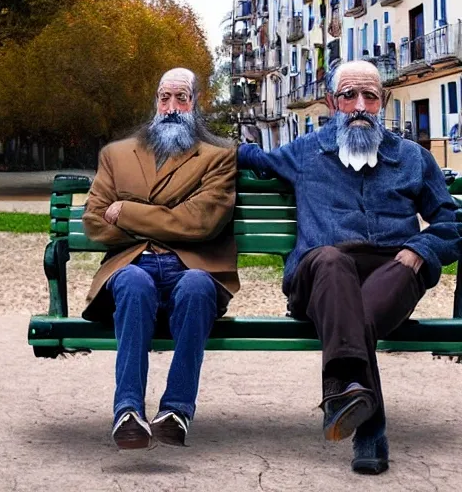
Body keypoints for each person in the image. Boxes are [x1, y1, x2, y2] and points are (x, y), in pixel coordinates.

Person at [238, 60, 461, 474]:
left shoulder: (413, 159)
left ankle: (345, 392)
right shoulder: (306, 151)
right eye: (348, 96)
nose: (360, 105)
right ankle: (370, 432)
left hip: (391, 272)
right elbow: (254, 158)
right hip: (320, 274)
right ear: (331, 102)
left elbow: (449, 224)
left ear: (383, 102)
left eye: (370, 96)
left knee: (392, 274)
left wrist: (420, 250)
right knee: (330, 258)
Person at [82, 68, 239, 450]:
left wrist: (128, 212)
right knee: (134, 283)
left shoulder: (218, 157)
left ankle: (176, 411)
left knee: (198, 285)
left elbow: (200, 222)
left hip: (192, 267)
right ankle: (128, 412)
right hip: (132, 266)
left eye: (181, 98)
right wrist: (169, 219)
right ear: (156, 101)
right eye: (164, 98)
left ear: (196, 104)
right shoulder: (116, 154)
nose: (171, 107)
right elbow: (94, 222)